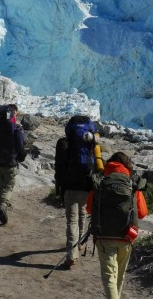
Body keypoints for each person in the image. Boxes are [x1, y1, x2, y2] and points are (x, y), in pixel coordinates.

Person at [86, 152, 148, 299]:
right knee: (119, 276)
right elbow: (142, 213)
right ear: (127, 166)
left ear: (109, 164)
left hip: (104, 235)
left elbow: (89, 208)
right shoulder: (131, 183)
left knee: (109, 277)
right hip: (127, 235)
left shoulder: (101, 182)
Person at [60, 115, 97, 269]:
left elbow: (59, 166)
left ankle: (71, 254)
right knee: (82, 214)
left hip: (70, 186)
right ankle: (80, 244)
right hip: (87, 186)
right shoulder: (92, 143)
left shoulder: (64, 143)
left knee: (72, 221)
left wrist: (60, 186)